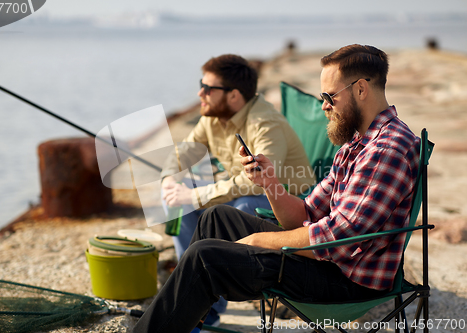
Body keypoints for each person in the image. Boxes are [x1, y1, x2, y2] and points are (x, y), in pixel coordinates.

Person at [135, 44, 420, 333]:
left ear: (361, 89)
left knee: (204, 257)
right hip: (328, 262)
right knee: (216, 219)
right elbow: (306, 212)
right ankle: (184, 319)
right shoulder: (357, 143)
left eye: (329, 96)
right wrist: (271, 184)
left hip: (346, 281)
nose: (324, 105)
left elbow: (338, 238)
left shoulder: (387, 149)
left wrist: (260, 241)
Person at [159, 54, 316, 327]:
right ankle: (193, 295)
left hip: (284, 205)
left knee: (239, 207)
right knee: (176, 200)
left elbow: (257, 180)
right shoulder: (212, 116)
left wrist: (195, 195)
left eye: (208, 88)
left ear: (233, 96)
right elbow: (185, 151)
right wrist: (168, 179)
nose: (200, 93)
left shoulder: (264, 124)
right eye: (201, 85)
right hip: (240, 193)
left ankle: (207, 308)